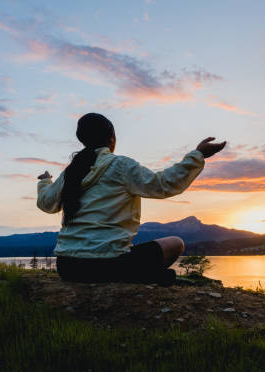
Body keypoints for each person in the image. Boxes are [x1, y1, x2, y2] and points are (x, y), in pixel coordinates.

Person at [36, 112, 226, 286]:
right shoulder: (120, 166)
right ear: (112, 139)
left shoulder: (72, 172)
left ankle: (142, 276)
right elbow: (163, 184)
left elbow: (47, 203)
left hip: (68, 268)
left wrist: (45, 181)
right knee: (176, 243)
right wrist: (198, 155)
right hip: (108, 265)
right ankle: (143, 277)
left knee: (125, 258)